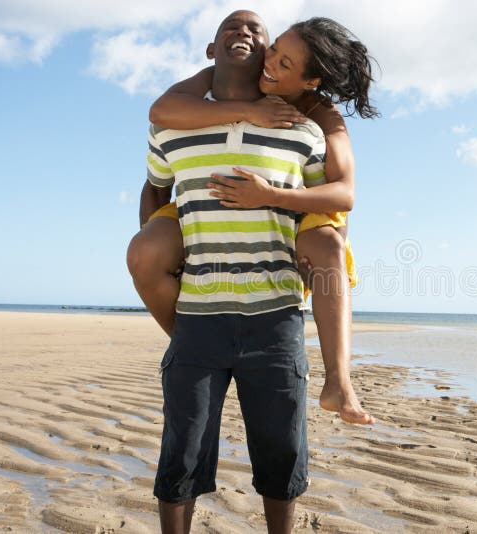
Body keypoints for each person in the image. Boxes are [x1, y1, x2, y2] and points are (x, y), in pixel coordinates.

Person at [128, 17, 379, 425]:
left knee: (328, 244)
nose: (272, 63)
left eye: (284, 63)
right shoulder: (206, 83)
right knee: (147, 250)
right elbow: (159, 113)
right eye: (275, 50)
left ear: (309, 81)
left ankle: (339, 382)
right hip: (206, 197)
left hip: (292, 200)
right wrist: (250, 111)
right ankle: (198, 343)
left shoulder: (319, 112)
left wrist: (276, 202)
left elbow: (344, 194)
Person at [142, 10, 329, 533]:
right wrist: (161, 244)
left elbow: (322, 210)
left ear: (270, 56)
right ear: (211, 49)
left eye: (255, 30)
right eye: (231, 26)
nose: (243, 33)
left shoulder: (304, 131)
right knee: (181, 452)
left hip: (276, 319)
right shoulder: (170, 127)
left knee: (283, 452)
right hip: (198, 314)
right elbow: (155, 187)